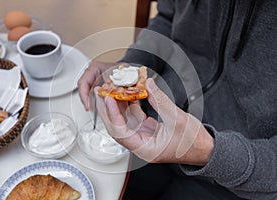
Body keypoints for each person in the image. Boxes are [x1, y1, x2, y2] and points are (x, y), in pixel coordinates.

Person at [78, 0, 277, 199]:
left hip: (236, 179)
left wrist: (210, 152)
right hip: (151, 123)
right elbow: (168, 17)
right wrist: (129, 71)